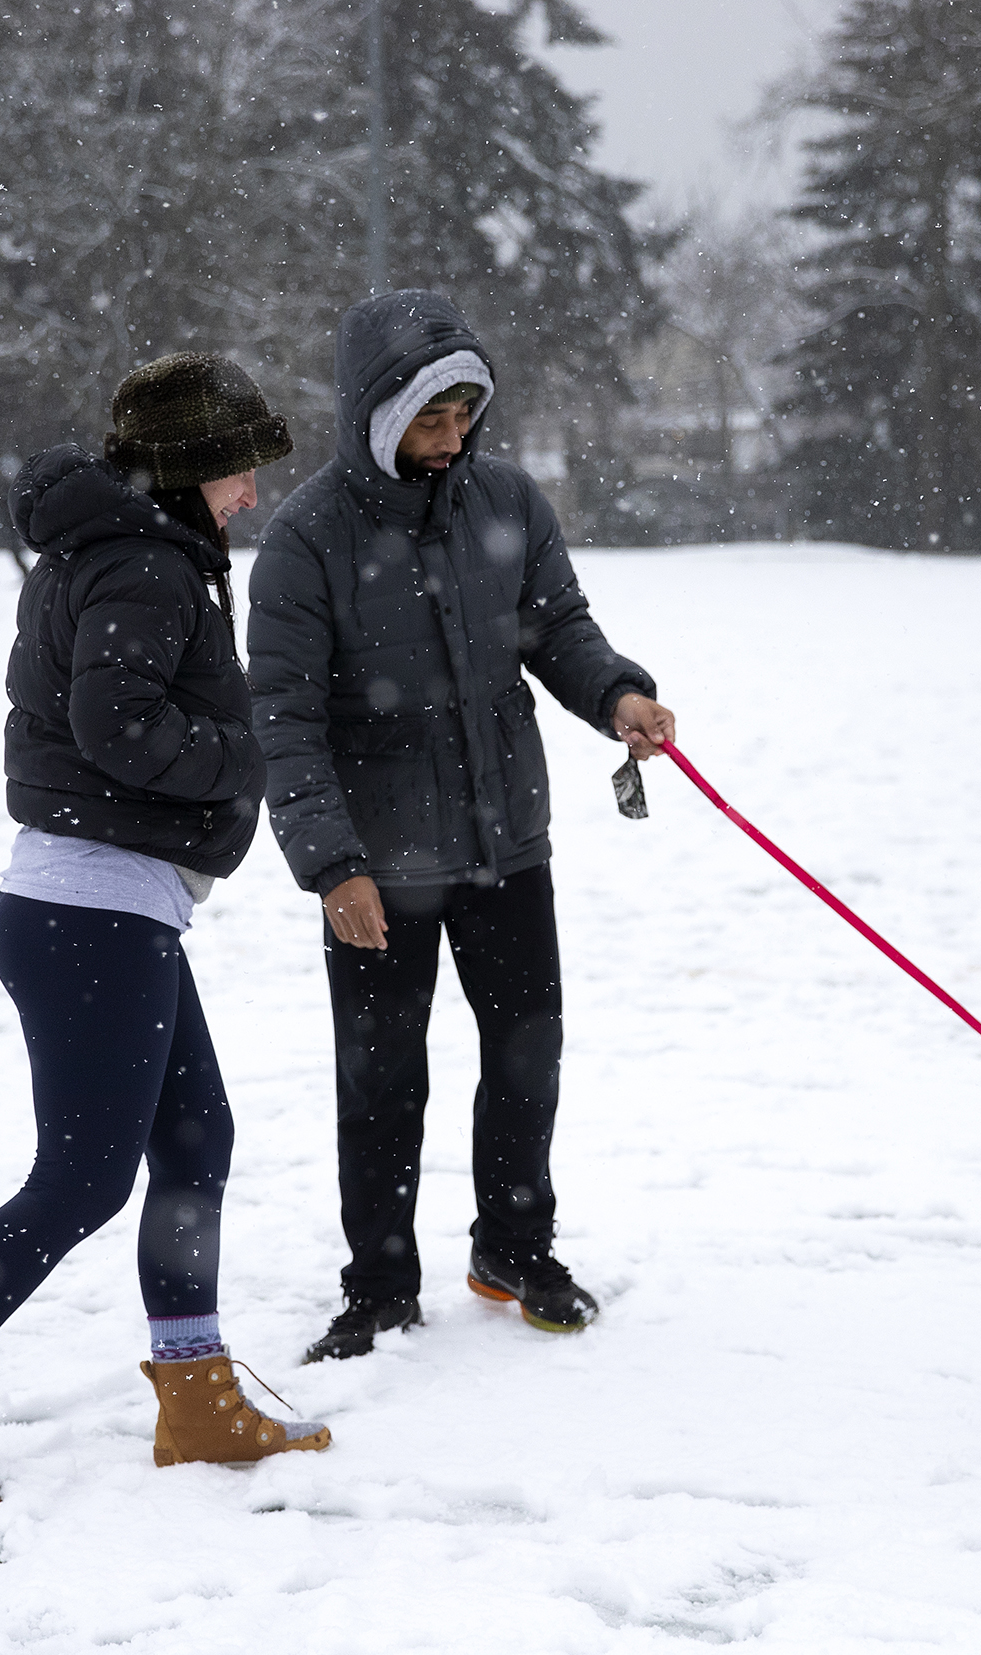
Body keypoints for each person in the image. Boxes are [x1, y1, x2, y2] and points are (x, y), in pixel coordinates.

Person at [0, 353, 329, 1520]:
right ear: (192, 465)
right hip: (88, 910)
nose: (252, 491)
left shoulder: (122, 551)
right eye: (240, 467)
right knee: (83, 1177)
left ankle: (196, 1389)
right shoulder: (147, 563)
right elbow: (115, 722)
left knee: (194, 1134)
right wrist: (243, 757)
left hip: (111, 906)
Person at [247, 289, 676, 1363]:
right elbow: (283, 724)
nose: (450, 440)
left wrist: (616, 694)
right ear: (377, 416)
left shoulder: (510, 505)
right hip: (376, 869)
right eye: (428, 420)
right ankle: (381, 1284)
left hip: (504, 845)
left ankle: (514, 1245)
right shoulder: (305, 542)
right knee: (382, 1077)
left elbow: (559, 628)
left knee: (528, 1053)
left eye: (463, 417)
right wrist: (332, 867)